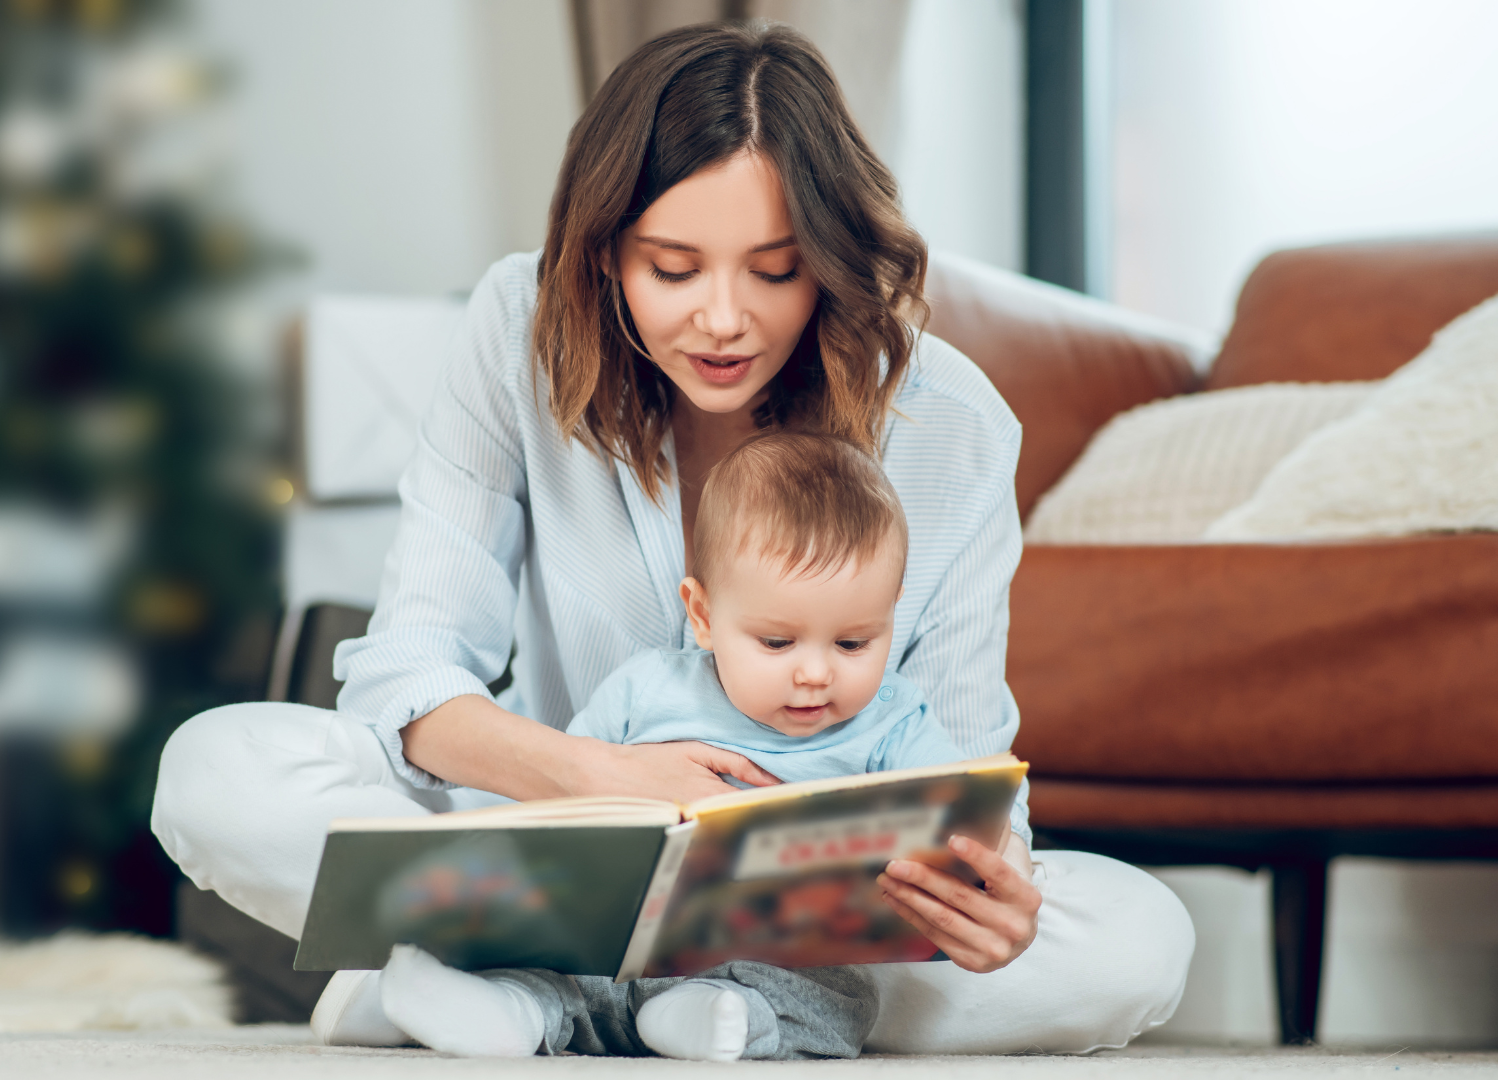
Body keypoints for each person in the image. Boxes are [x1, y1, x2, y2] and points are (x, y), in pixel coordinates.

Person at [151, 20, 1193, 1055]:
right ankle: (602, 993)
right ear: (606, 254)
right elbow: (409, 677)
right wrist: (596, 778)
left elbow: (965, 772)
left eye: (776, 272)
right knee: (216, 772)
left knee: (1138, 941)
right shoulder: (519, 330)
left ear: (830, 261)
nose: (724, 320)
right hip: (548, 844)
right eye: (674, 268)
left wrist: (989, 891)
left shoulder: (950, 423)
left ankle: (478, 984)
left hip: (813, 923)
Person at [381, 431, 976, 1060]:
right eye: (777, 643)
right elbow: (558, 809)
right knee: (553, 971)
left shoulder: (895, 722)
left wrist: (982, 858)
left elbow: (969, 814)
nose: (815, 674)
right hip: (621, 943)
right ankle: (499, 1012)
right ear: (703, 614)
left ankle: (713, 1019)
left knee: (841, 999)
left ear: (890, 616)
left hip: (784, 958)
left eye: (853, 643)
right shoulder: (647, 691)